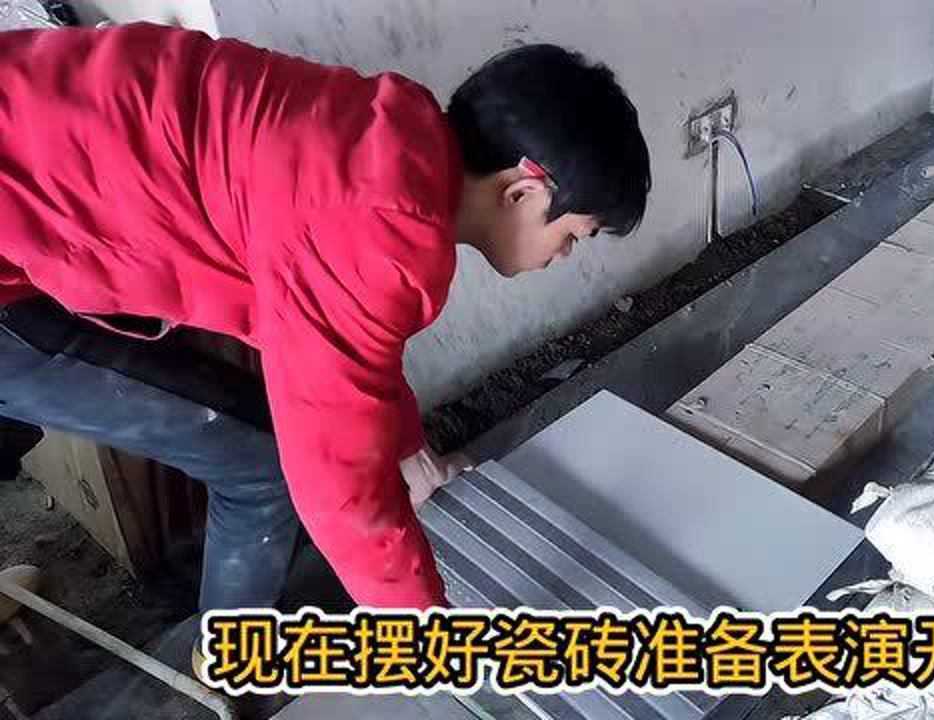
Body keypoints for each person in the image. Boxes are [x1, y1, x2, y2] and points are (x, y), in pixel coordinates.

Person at [0, 23, 651, 612]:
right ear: (523, 191)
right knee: (260, 465)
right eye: (575, 234)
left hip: (23, 160)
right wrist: (420, 624)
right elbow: (337, 485)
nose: (565, 254)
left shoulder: (385, 144)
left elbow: (346, 356)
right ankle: (224, 679)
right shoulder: (375, 232)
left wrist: (411, 454)